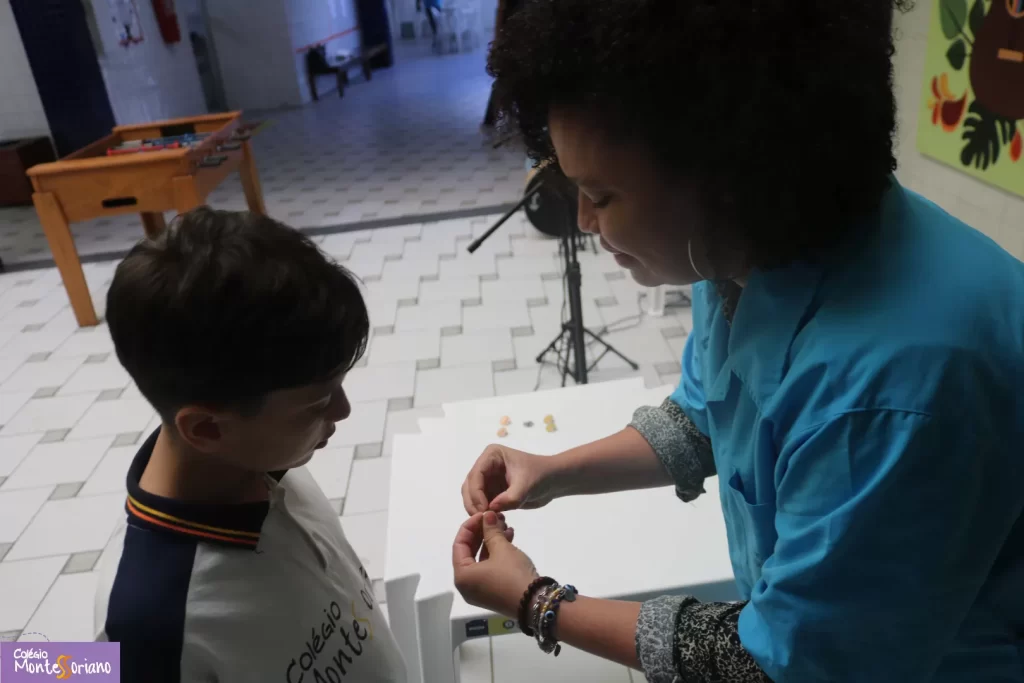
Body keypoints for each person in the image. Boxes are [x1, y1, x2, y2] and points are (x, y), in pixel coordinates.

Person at [452, 1, 1024, 682]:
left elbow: (778, 661)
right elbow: (704, 418)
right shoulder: (741, 251)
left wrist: (539, 602)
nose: (582, 221)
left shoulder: (894, 389)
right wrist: (553, 471)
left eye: (600, 196)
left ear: (727, 176)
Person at [94, 208, 407, 683]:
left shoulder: (263, 462)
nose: (342, 411)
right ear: (207, 429)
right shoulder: (150, 625)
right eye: (318, 401)